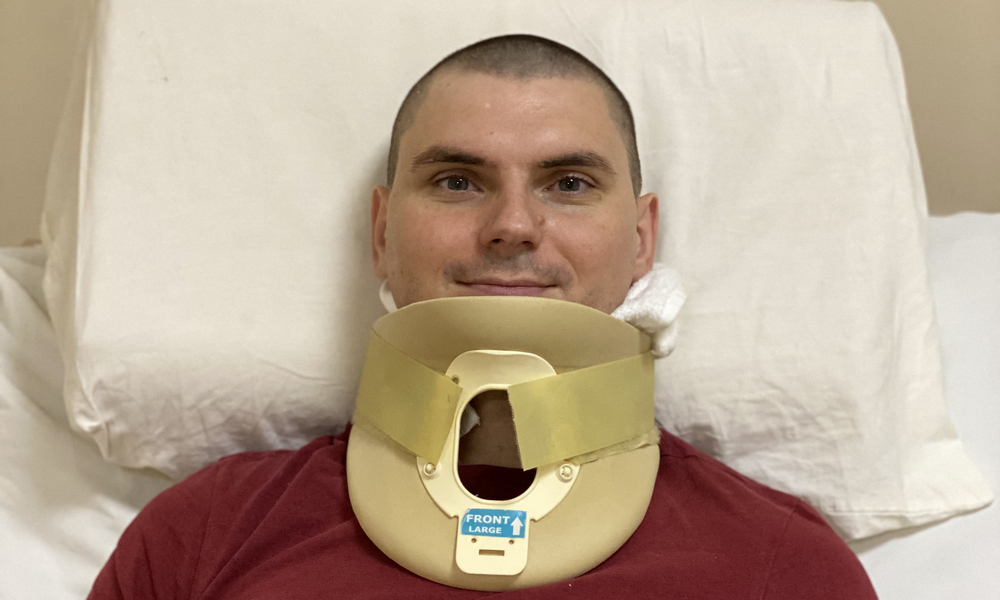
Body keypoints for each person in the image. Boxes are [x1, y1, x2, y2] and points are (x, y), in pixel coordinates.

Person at [89, 34, 877, 599]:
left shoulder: (788, 571)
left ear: (642, 239)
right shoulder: (203, 537)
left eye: (569, 184)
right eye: (458, 181)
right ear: (381, 232)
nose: (513, 225)